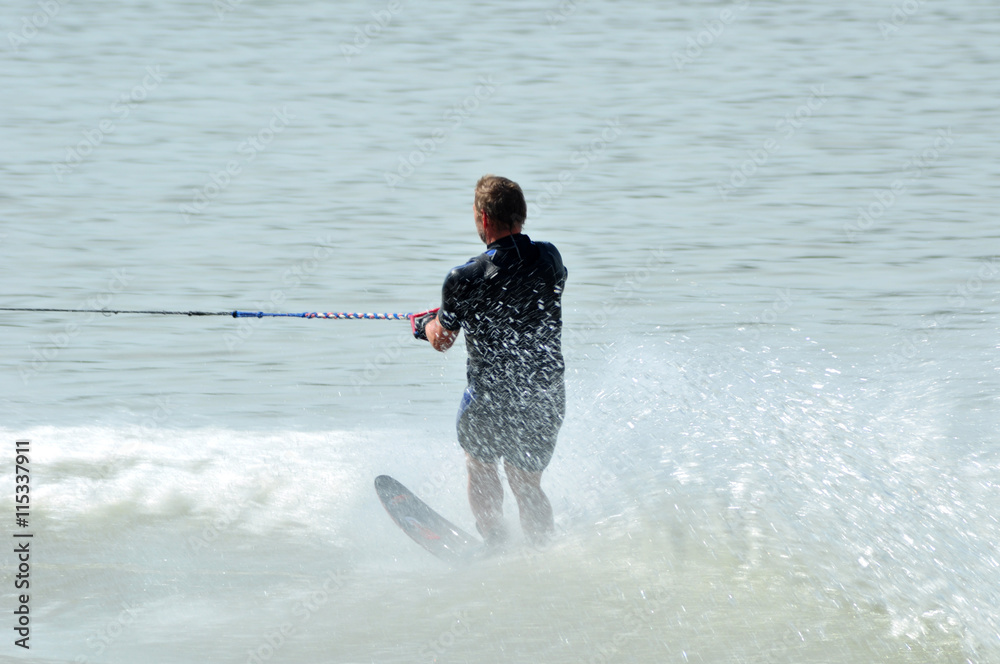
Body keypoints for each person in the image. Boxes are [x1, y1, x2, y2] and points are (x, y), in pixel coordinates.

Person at [410, 175, 567, 551]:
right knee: (526, 483)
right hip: (545, 393)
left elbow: (442, 339)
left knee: (481, 467)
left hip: (490, 399)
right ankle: (543, 551)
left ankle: (496, 540)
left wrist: (425, 325)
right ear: (521, 215)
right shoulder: (550, 258)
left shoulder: (464, 278)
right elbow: (524, 295)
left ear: (483, 217)